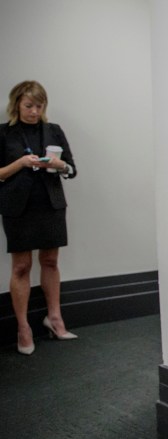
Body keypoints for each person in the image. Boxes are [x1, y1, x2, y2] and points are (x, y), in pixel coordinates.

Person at [0, 80, 78, 356]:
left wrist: (60, 165)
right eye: (29, 105)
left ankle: (54, 319)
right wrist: (20, 163)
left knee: (50, 261)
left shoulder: (53, 130)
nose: (34, 111)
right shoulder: (4, 133)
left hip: (50, 204)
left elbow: (72, 169)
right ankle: (23, 328)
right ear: (17, 104)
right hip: (17, 207)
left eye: (39, 105)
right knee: (21, 266)